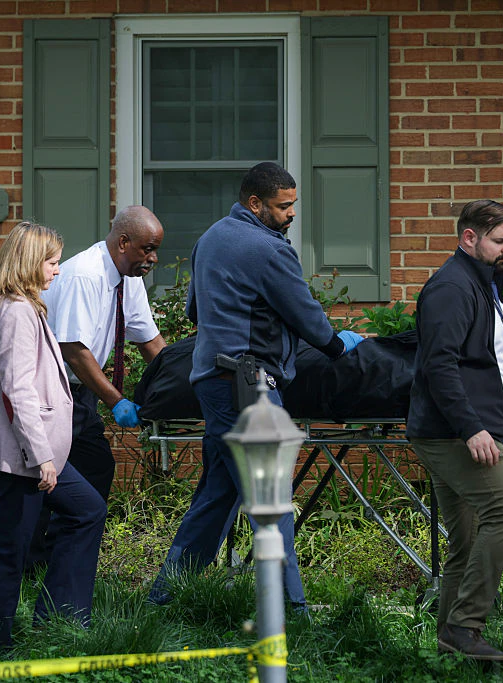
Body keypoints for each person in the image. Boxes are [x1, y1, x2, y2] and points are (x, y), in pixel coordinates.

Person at [148, 162, 363, 610]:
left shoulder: (210, 239)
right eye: (283, 206)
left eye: (293, 205)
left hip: (213, 379)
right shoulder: (268, 248)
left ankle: (165, 600)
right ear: (255, 204)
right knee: (271, 496)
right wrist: (339, 345)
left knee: (218, 494)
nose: (291, 214)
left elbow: (194, 312)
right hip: (249, 385)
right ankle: (290, 609)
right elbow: (307, 317)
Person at [408, 199, 503, 662]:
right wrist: (472, 429)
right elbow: (439, 367)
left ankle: (449, 648)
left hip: (471, 428)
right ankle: (465, 627)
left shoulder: (485, 285)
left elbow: (495, 368)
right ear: (470, 238)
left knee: (464, 543)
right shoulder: (451, 288)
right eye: (500, 241)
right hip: (451, 433)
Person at [0, 221, 107, 652]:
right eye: (51, 262)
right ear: (30, 262)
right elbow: (18, 389)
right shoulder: (16, 311)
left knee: (86, 510)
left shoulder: (9, 305)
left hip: (33, 451)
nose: (57, 271)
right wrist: (41, 456)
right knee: (11, 550)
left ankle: (60, 617)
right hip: (24, 453)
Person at [27, 206, 166, 567]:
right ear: (124, 242)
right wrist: (117, 401)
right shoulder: (85, 276)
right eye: (147, 249)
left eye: (155, 251)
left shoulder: (127, 279)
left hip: (79, 394)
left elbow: (149, 341)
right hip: (53, 392)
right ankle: (37, 565)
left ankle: (61, 558)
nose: (153, 258)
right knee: (50, 478)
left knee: (95, 467)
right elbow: (73, 350)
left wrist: (182, 382)